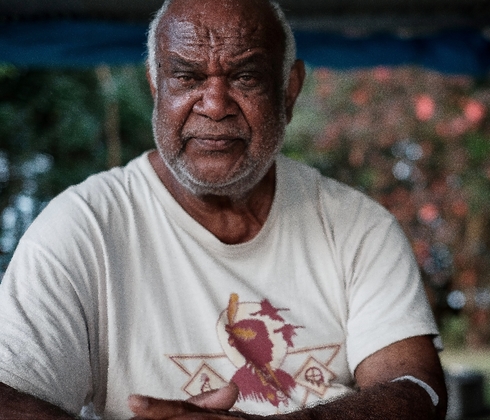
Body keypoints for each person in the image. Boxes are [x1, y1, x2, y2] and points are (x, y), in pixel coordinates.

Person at [0, 0, 447, 418]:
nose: (214, 106)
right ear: (157, 86)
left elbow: (418, 391)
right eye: (187, 77)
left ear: (288, 90)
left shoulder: (358, 226)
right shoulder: (83, 228)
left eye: (245, 78)